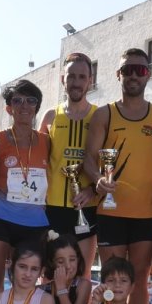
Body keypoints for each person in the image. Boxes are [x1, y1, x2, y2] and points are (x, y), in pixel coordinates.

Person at [83, 48, 152, 304]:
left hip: (147, 212)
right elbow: (89, 159)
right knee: (112, 279)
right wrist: (97, 180)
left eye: (140, 70)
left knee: (137, 280)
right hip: (111, 210)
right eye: (128, 70)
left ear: (148, 75)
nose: (133, 75)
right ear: (119, 74)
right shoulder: (104, 114)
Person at [0, 79, 52, 293]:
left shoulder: (47, 141)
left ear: (37, 107)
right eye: (17, 101)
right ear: (9, 108)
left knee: (27, 287)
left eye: (31, 101)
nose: (24, 106)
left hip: (35, 223)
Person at [40, 52, 100, 276]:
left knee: (82, 275)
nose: (76, 82)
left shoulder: (100, 116)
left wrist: (93, 189)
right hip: (52, 208)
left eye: (82, 77)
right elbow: (39, 161)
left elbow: (109, 164)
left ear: (90, 80)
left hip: (86, 206)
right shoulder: (50, 116)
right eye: (71, 76)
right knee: (49, 274)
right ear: (62, 79)